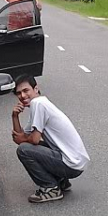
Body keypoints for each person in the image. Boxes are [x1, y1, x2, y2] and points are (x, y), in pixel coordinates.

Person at [11, 74, 90, 204]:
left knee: (24, 150)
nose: (23, 96)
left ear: (36, 89)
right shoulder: (39, 104)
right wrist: (15, 116)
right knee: (27, 147)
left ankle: (50, 188)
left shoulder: (39, 104)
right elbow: (18, 138)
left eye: (26, 91)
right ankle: (60, 181)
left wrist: (23, 138)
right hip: (75, 162)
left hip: (71, 164)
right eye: (18, 93)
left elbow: (33, 140)